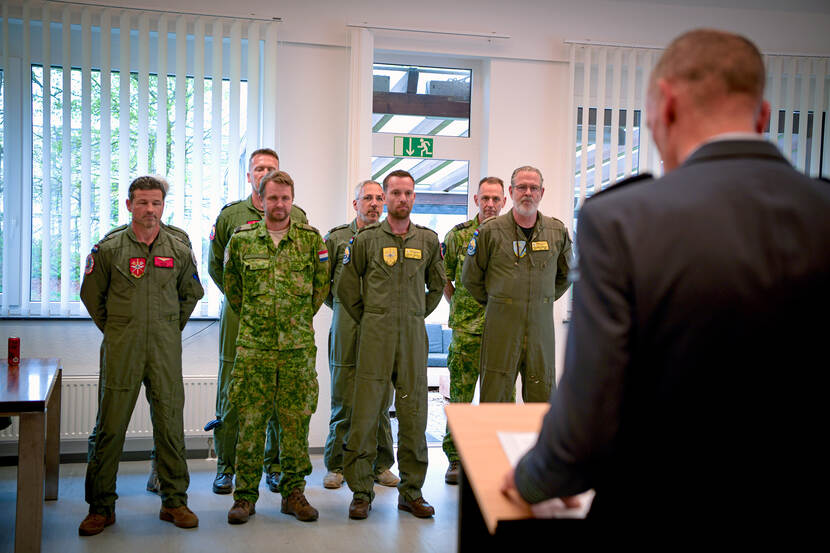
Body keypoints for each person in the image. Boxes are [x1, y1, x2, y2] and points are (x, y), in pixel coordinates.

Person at [502, 29, 830, 528]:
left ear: (666, 106)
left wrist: (536, 477)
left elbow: (589, 413)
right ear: (763, 117)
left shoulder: (623, 220)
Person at [79, 175, 204, 535]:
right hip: (122, 348)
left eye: (157, 203)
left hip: (164, 348)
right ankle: (100, 507)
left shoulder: (178, 247)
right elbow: (92, 296)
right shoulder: (111, 249)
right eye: (143, 202)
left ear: (164, 206)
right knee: (110, 426)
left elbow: (190, 293)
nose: (150, 210)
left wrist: (166, 328)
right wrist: (119, 328)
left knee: (170, 425)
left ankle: (174, 501)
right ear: (129, 204)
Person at [338, 170, 445, 520]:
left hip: (413, 335)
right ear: (384, 197)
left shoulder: (428, 240)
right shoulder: (366, 239)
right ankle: (361, 491)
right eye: (395, 193)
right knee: (366, 413)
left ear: (414, 198)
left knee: (414, 414)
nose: (402, 199)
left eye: (408, 193)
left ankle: (411, 491)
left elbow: (436, 287)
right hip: (374, 333)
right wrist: (373, 316)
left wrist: (412, 314)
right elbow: (347, 288)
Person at [223, 170, 329, 524]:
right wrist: (261, 320)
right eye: (272, 198)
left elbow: (320, 289)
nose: (279, 204)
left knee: (295, 422)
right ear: (261, 199)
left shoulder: (311, 241)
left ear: (292, 199)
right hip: (254, 346)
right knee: (250, 422)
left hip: (297, 348)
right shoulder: (241, 240)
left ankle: (294, 493)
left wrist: (293, 320)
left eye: (285, 198)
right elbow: (233, 290)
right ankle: (245, 497)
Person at [206, 148, 308, 495]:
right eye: (258, 168)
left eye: (272, 169)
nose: (264, 173)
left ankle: (275, 465)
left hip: (286, 326)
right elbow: (217, 267)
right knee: (233, 393)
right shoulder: (231, 216)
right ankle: (226, 467)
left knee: (282, 398)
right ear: (249, 175)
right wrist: (250, 304)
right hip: (241, 320)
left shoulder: (299, 216)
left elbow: (314, 278)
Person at [461, 166, 572, 403]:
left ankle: (538, 442)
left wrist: (543, 298)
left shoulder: (556, 232)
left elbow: (567, 274)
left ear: (542, 192)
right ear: (511, 192)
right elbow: (470, 278)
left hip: (540, 326)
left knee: (542, 396)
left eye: (534, 188)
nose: (528, 193)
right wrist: (497, 300)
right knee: (495, 396)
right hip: (501, 324)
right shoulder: (490, 231)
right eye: (522, 187)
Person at [322, 180, 399, 490]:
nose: (374, 204)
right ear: (355, 204)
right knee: (343, 396)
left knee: (382, 398)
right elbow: (324, 285)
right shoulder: (337, 239)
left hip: (381, 326)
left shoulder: (393, 238)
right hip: (346, 325)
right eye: (367, 198)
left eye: (379, 198)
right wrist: (345, 307)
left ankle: (381, 465)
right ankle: (336, 465)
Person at [441, 176, 507, 484]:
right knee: (461, 397)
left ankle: (494, 457)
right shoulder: (458, 236)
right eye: (485, 198)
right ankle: (455, 459)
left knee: (500, 399)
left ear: (504, 201)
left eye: (496, 198)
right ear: (476, 200)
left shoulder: (512, 234)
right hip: (466, 330)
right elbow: (445, 279)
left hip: (502, 330)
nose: (490, 204)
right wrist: (460, 307)